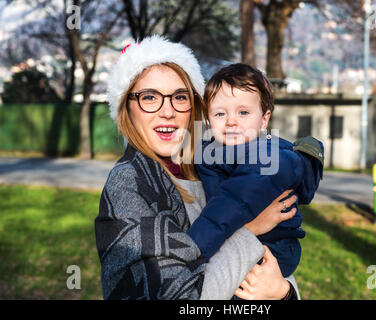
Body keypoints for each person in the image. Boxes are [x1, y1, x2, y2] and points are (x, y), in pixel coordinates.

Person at [94, 35, 301, 300]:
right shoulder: (129, 184)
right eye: (149, 97)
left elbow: (278, 266)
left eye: (180, 97)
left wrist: (284, 293)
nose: (167, 111)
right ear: (127, 108)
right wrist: (248, 230)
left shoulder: (212, 165)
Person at [188, 63, 324, 280]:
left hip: (270, 250)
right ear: (208, 118)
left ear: (264, 119)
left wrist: (191, 251)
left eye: (243, 112)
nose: (231, 121)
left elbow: (231, 204)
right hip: (243, 240)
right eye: (220, 113)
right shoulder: (218, 149)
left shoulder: (266, 160)